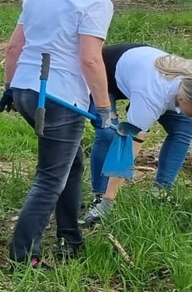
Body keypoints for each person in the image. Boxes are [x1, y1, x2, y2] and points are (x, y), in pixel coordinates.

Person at [0, 0, 124, 268]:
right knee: (50, 177)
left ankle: (70, 239)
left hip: (27, 89)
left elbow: (13, 48)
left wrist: (9, 89)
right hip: (60, 96)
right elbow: (91, 60)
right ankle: (24, 259)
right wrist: (104, 108)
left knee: (71, 163)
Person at [82, 43, 192, 226]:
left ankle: (161, 192)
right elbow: (127, 145)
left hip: (137, 72)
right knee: (109, 133)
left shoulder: (187, 80)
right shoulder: (152, 95)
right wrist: (110, 200)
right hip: (104, 73)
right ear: (183, 97)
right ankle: (101, 198)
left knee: (184, 129)